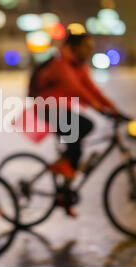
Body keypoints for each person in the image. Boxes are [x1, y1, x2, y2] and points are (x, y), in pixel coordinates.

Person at [31, 33, 119, 217]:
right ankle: (63, 167)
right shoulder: (60, 63)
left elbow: (91, 88)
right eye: (86, 46)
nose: (89, 51)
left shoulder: (78, 65)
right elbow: (75, 89)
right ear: (74, 47)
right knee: (84, 127)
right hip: (48, 109)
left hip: (61, 109)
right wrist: (99, 109)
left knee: (76, 151)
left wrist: (114, 109)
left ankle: (64, 194)